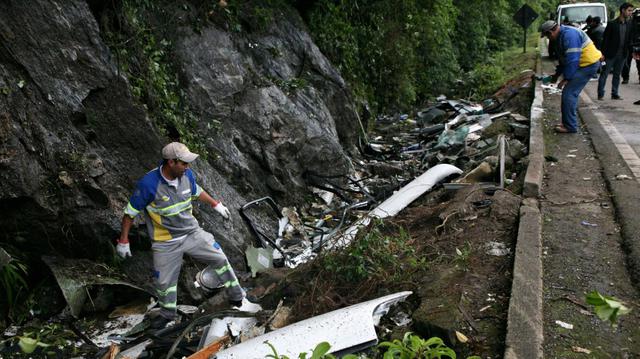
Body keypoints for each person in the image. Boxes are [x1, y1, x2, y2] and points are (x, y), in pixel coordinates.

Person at [116, 142, 260, 329]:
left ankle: (238, 297)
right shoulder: (148, 185)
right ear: (171, 162)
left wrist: (216, 205)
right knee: (164, 282)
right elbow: (130, 213)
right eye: (184, 163)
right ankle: (168, 315)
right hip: (165, 242)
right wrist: (123, 240)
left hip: (192, 233)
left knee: (220, 260)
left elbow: (197, 191)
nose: (188, 167)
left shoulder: (187, 175)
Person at [539, 20, 602, 133]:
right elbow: (564, 60)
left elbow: (572, 60)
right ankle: (568, 122)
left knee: (569, 93)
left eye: (547, 36)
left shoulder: (569, 35)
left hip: (588, 64)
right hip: (582, 64)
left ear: (550, 32)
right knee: (568, 93)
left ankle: (570, 126)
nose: (548, 39)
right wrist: (556, 75)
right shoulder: (560, 37)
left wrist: (566, 79)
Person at [598, 3, 634, 100]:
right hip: (610, 54)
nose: (630, 13)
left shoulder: (630, 24)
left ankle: (615, 93)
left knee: (617, 75)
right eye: (629, 10)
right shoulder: (612, 24)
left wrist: (631, 52)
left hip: (622, 55)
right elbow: (605, 40)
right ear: (623, 10)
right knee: (604, 74)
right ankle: (600, 94)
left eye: (631, 11)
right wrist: (602, 54)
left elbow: (629, 39)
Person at [621, 8, 640, 84]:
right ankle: (626, 78)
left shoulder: (628, 22)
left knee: (627, 62)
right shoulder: (628, 22)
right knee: (627, 62)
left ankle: (626, 78)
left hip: (632, 45)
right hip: (632, 45)